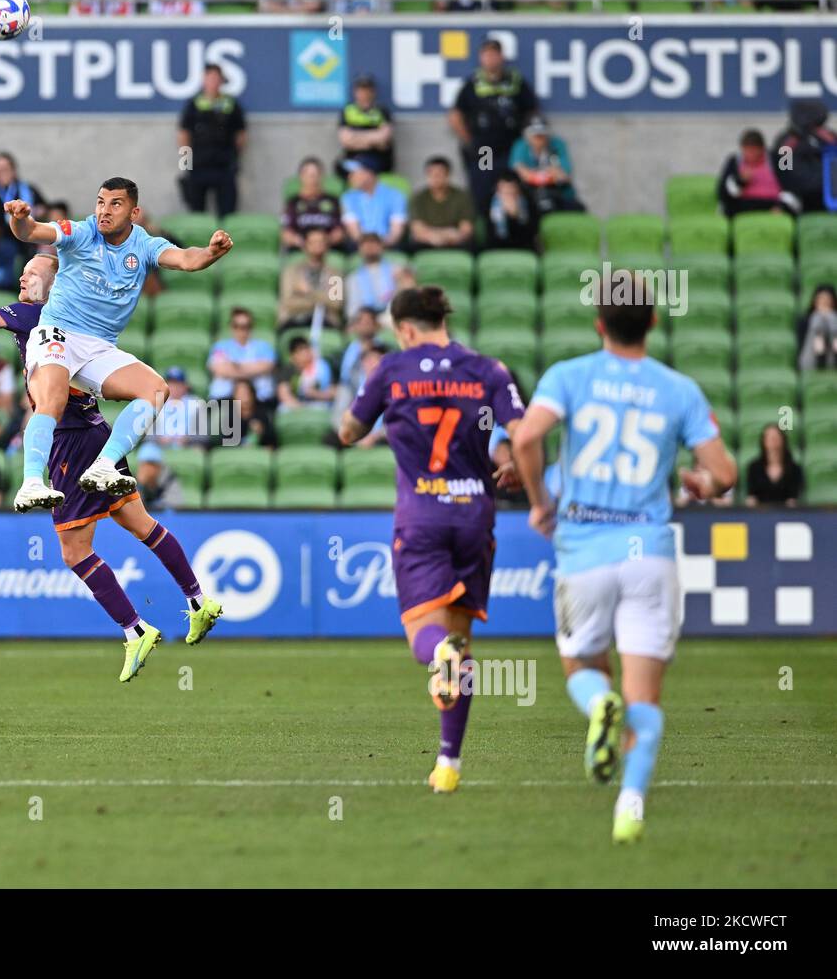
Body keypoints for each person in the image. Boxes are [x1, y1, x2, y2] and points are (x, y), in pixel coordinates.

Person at [511, 271, 738, 844]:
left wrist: (541, 504)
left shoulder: (569, 375)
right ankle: (630, 808)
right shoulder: (677, 388)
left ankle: (598, 705)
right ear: (654, 323)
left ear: (599, 324)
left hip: (583, 548)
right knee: (647, 699)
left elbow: (526, 439)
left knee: (582, 670)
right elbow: (727, 475)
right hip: (649, 555)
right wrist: (698, 483)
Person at [0, 251, 224, 681]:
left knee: (74, 551)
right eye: (22, 271)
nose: (22, 278)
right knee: (143, 525)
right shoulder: (77, 321)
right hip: (99, 434)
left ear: (53, 285)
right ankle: (200, 601)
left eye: (31, 274)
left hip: (70, 443)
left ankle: (135, 629)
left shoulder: (32, 314)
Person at [339, 285, 525, 797]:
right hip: (475, 515)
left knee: (429, 638)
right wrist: (511, 464)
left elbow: (349, 431)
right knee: (461, 645)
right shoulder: (488, 370)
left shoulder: (392, 370)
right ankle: (448, 763)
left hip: (421, 513)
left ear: (403, 328)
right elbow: (522, 432)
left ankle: (437, 653)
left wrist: (371, 409)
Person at [1, 177, 233, 512]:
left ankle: (104, 465)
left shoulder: (144, 245)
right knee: (52, 399)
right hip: (58, 332)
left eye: (115, 204)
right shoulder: (81, 232)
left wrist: (210, 252)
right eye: (100, 202)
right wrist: (20, 217)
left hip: (99, 346)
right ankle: (32, 482)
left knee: (156, 390)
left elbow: (186, 259)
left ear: (134, 212)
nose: (104, 211)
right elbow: (30, 232)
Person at [448, 37, 539, 219]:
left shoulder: (515, 82)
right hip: (485, 148)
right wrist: (470, 140)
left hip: (511, 146)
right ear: (481, 58)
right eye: (487, 54)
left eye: (494, 54)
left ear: (501, 57)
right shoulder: (473, 83)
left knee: (512, 184)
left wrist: (526, 140)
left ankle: (514, 225)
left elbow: (532, 111)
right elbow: (455, 115)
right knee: (483, 184)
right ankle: (485, 227)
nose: (491, 59)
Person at [177, 63, 247, 218]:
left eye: (216, 78)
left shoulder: (231, 104)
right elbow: (183, 135)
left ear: (221, 81)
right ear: (204, 80)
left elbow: (241, 134)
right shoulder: (194, 104)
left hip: (224, 166)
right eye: (209, 78)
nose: (213, 82)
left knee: (228, 212)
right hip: (198, 166)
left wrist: (235, 158)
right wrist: (185, 164)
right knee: (196, 211)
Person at [509, 116, 586, 216]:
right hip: (531, 195)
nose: (539, 138)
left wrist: (536, 175)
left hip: (558, 194)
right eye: (535, 135)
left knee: (577, 208)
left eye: (542, 134)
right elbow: (520, 172)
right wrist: (547, 174)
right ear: (526, 136)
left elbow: (564, 175)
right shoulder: (520, 146)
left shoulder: (557, 144)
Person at [772, 99, 837, 214]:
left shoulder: (828, 137)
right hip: (798, 195)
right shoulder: (787, 141)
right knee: (787, 198)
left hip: (828, 193)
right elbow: (783, 171)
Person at [717, 127, 799, 217]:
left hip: (772, 204)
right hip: (744, 206)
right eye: (747, 150)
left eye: (753, 150)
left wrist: (782, 206)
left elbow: (791, 188)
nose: (750, 154)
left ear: (762, 149)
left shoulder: (777, 160)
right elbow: (722, 193)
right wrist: (740, 181)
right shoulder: (735, 161)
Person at [278, 228, 344, 331]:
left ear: (327, 246)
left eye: (321, 242)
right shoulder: (291, 272)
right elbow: (288, 303)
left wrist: (309, 292)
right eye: (313, 242)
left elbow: (336, 304)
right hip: (295, 320)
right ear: (305, 246)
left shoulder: (335, 274)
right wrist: (322, 300)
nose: (317, 245)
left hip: (326, 322)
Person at [406, 156, 475, 252]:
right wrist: (435, 237)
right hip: (427, 241)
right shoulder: (418, 198)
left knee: (471, 245)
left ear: (448, 175)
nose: (435, 178)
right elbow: (417, 229)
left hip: (455, 241)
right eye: (431, 174)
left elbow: (466, 229)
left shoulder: (462, 196)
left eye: (439, 174)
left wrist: (449, 237)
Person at [208, 306, 277, 402]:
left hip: (259, 399)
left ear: (251, 326)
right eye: (237, 326)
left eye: (246, 326)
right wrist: (252, 369)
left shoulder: (264, 346)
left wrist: (235, 367)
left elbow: (267, 366)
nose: (242, 330)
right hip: (225, 399)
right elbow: (219, 369)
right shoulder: (220, 346)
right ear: (232, 327)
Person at [280, 157, 345, 251]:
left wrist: (322, 243)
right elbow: (286, 233)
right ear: (301, 176)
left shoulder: (333, 201)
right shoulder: (292, 203)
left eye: (315, 175)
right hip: (300, 249)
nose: (312, 179)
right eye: (309, 175)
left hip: (328, 249)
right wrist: (303, 243)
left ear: (321, 176)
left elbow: (340, 232)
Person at [340, 159, 406, 249]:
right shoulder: (348, 197)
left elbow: (396, 231)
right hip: (360, 246)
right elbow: (353, 230)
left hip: (389, 245)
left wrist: (380, 246)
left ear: (369, 174)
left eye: (355, 173)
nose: (350, 177)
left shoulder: (395, 195)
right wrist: (368, 246)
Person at [337, 73, 394, 177]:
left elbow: (384, 139)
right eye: (361, 90)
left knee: (364, 168)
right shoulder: (348, 111)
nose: (364, 93)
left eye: (367, 90)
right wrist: (373, 139)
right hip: (352, 159)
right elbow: (345, 140)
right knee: (339, 166)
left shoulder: (381, 111)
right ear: (355, 92)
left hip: (378, 160)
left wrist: (355, 137)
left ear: (373, 92)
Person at [348, 235, 410, 318]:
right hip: (365, 318)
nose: (370, 247)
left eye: (374, 243)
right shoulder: (353, 277)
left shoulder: (397, 270)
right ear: (360, 249)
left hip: (391, 314)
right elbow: (352, 308)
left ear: (382, 247)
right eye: (366, 244)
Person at [746, 424, 804, 506]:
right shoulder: (754, 468)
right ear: (763, 441)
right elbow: (751, 498)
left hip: (787, 514)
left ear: (783, 440)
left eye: (776, 437)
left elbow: (793, 500)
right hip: (760, 514)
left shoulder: (794, 469)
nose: (773, 440)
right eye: (769, 437)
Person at [277, 335, 335, 409]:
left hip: (320, 406)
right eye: (300, 350)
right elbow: (284, 394)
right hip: (296, 407)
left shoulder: (322, 367)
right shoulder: (288, 370)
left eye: (307, 348)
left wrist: (316, 394)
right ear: (292, 355)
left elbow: (334, 392)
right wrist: (302, 409)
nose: (306, 353)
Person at [487, 171, 537, 250]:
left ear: (518, 190)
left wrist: (514, 216)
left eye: (511, 188)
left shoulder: (528, 203)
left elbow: (529, 235)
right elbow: (491, 236)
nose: (508, 192)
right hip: (497, 248)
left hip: (523, 248)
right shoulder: (488, 203)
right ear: (497, 190)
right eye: (504, 189)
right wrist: (505, 214)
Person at [798, 284, 837, 370]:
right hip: (809, 363)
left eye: (828, 300)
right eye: (821, 299)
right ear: (815, 301)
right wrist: (818, 321)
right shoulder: (805, 321)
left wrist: (832, 320)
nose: (824, 303)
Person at [230, 377, 275, 447]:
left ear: (253, 394)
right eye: (240, 393)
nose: (244, 397)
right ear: (234, 396)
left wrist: (262, 431)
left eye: (246, 393)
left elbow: (272, 441)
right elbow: (226, 444)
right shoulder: (231, 416)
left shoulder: (262, 413)